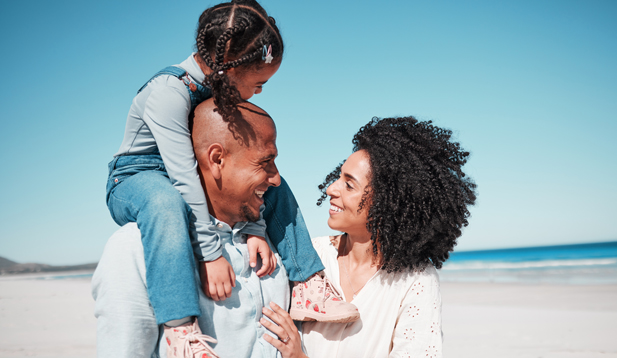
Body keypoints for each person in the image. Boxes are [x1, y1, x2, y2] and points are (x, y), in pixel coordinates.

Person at [104, 1, 357, 356]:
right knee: (166, 203)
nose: (259, 91)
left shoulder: (219, 89)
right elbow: (185, 177)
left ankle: (307, 284)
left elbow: (240, 169)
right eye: (258, 81)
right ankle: (180, 330)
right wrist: (210, 255)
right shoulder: (168, 92)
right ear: (229, 67)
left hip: (188, 176)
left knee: (273, 183)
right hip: (138, 175)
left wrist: (255, 229)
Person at [95, 100, 328, 358]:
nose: (276, 178)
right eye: (265, 161)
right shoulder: (134, 248)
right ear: (217, 159)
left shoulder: (278, 240)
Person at [260, 116, 477, 358]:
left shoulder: (415, 281)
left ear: (387, 203)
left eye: (349, 185)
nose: (331, 188)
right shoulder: (310, 256)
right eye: (339, 176)